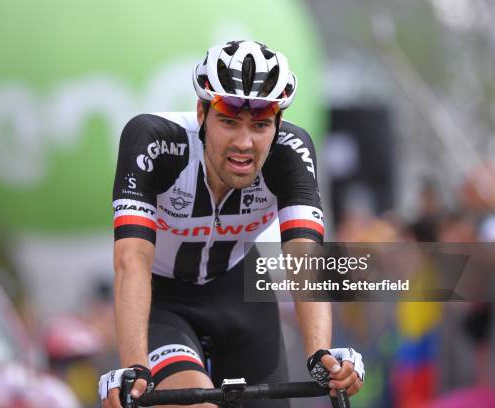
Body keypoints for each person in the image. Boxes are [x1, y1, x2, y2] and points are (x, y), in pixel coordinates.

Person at [99, 40, 364, 408]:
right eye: (227, 121)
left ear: (278, 124)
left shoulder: (291, 153)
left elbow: (305, 258)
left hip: (240, 293)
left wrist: (322, 354)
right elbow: (132, 260)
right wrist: (134, 368)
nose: (244, 142)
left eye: (260, 125)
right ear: (202, 114)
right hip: (162, 299)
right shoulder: (154, 143)